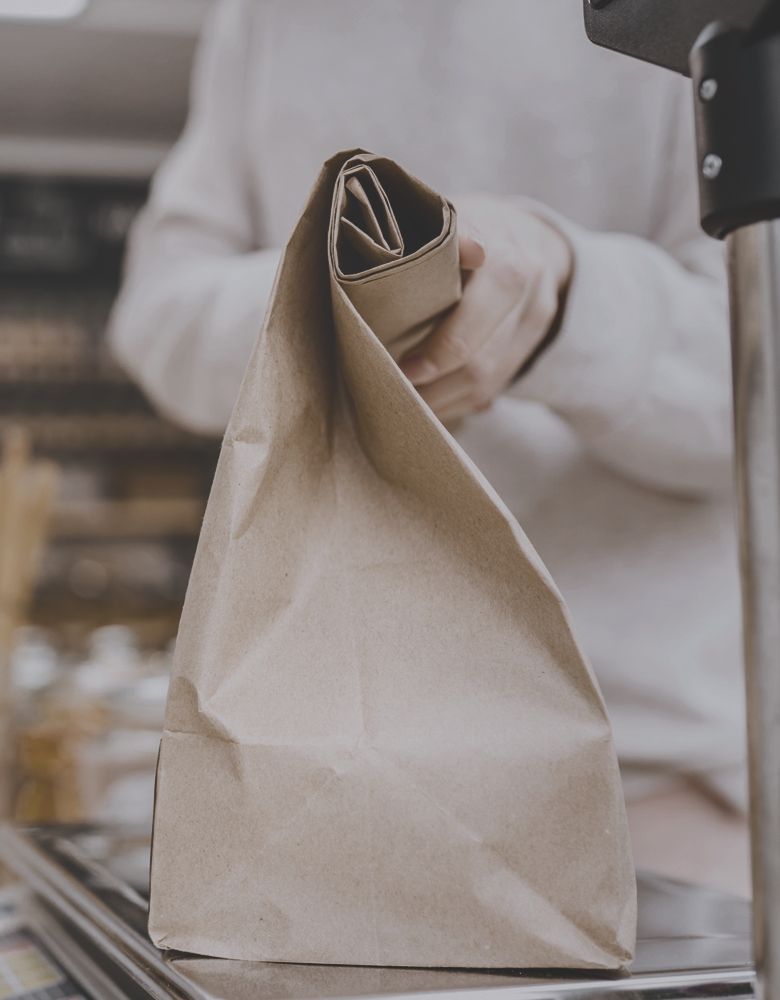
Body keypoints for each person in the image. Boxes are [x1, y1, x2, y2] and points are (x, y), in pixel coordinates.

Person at [109, 0, 747, 892]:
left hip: (639, 787)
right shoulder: (263, 15)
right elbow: (158, 319)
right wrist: (332, 295)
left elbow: (756, 375)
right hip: (312, 771)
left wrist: (564, 295)